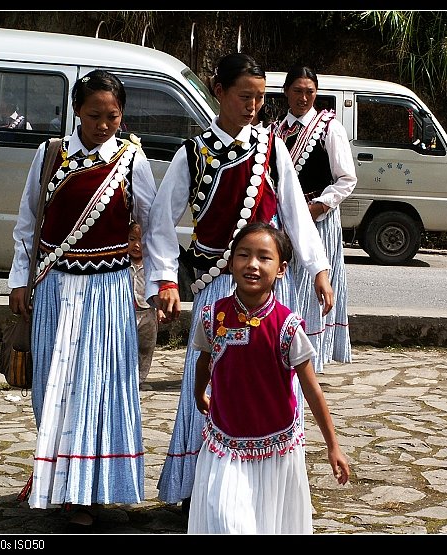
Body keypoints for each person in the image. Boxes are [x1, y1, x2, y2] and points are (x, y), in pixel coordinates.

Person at [144, 53, 334, 513]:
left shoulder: (272, 148)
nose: (253, 106)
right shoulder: (194, 152)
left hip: (268, 294)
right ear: (220, 91)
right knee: (206, 385)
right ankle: (198, 488)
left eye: (259, 98)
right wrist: (166, 278)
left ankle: (274, 485)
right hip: (216, 289)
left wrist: (318, 270)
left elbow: (293, 212)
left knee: (272, 384)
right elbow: (160, 223)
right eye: (244, 96)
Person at [8, 69, 156, 531]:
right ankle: (52, 472)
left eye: (113, 116)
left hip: (108, 290)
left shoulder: (132, 160)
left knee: (98, 388)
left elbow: (152, 226)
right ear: (77, 111)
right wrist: (19, 280)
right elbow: (28, 221)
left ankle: (86, 490)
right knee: (53, 387)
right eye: (94, 115)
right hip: (54, 289)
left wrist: (156, 283)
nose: (103, 125)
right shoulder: (50, 155)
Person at [187, 222, 350, 534]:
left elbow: (311, 389)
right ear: (231, 261)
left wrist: (333, 446)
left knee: (268, 524)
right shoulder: (212, 318)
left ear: (281, 269)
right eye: (244, 255)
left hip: (276, 445)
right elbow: (204, 362)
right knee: (226, 520)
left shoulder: (288, 327)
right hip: (226, 442)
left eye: (264, 257)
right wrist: (198, 393)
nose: (252, 264)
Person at [272, 65, 357, 373]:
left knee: (312, 286)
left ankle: (310, 360)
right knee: (286, 285)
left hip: (318, 222)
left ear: (316, 94)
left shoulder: (329, 128)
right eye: (297, 91)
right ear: (286, 93)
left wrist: (319, 206)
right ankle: (283, 350)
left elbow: (346, 179)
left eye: (309, 92)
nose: (303, 97)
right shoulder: (276, 131)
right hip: (285, 224)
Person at [128, 219, 159, 387]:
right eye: (132, 239)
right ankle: (126, 378)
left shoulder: (151, 265)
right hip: (128, 313)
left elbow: (158, 288)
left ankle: (140, 378)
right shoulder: (123, 265)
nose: (137, 245)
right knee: (127, 346)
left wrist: (160, 309)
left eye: (141, 240)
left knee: (146, 347)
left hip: (148, 312)